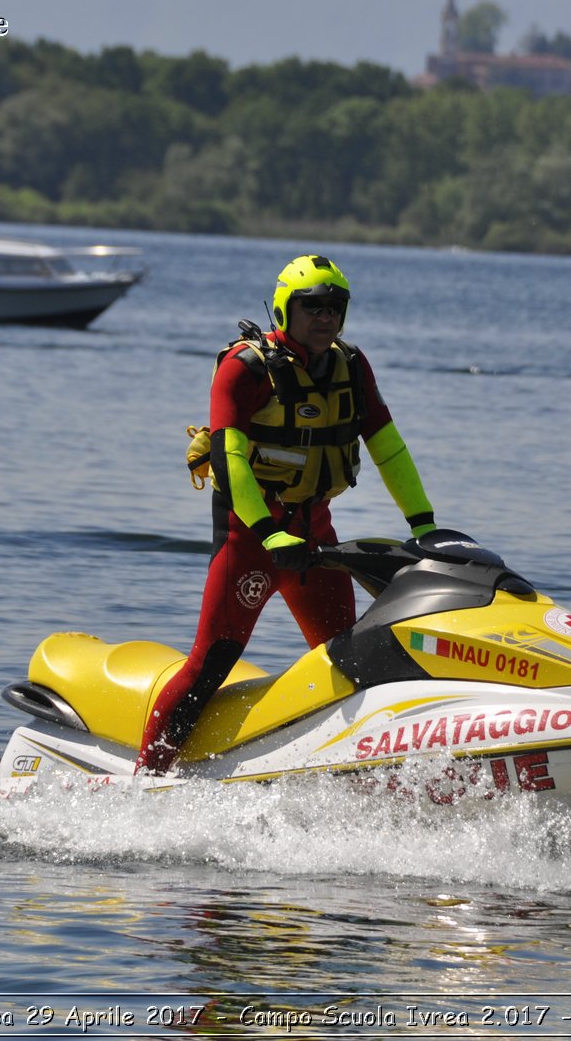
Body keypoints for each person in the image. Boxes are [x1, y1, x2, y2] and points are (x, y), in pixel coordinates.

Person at [137, 254, 438, 774]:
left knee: (351, 659)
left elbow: (388, 446)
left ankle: (356, 772)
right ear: (284, 309)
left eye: (334, 307)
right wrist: (268, 534)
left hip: (315, 535)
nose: (324, 317)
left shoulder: (351, 365)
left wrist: (425, 526)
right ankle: (146, 779)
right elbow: (229, 459)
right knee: (212, 662)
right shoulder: (243, 368)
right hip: (249, 536)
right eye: (312, 307)